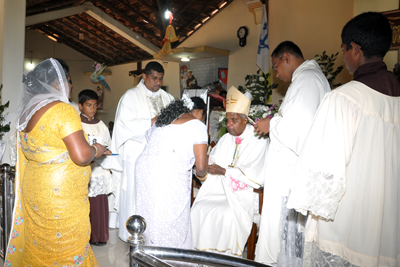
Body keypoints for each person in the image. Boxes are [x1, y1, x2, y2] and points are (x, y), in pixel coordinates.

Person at [287, 12, 400, 266]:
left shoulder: (344, 99)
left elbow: (323, 174)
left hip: (347, 231)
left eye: (343, 50)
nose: (344, 57)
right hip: (389, 227)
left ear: (355, 49)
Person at [5, 58, 109, 266]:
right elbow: (81, 156)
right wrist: (97, 149)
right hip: (60, 197)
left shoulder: (28, 111)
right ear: (56, 83)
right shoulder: (64, 110)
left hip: (34, 189)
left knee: (40, 245)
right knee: (66, 248)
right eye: (68, 81)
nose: (70, 86)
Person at [254, 41, 331, 266]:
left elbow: (298, 128)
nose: (276, 73)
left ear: (286, 58)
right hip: (292, 174)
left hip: (292, 178)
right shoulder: (308, 78)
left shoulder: (307, 80)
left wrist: (271, 124)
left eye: (276, 66)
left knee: (289, 241)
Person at [191, 86, 269, 257]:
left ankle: (224, 257)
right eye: (227, 120)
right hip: (219, 190)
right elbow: (213, 160)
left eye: (233, 120)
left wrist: (225, 171)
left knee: (226, 215)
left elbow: (256, 173)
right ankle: (204, 255)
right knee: (198, 208)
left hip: (244, 194)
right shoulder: (226, 138)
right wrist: (207, 167)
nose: (229, 125)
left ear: (245, 119)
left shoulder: (258, 139)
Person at [109, 61, 174, 241]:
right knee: (136, 193)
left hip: (161, 155)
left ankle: (155, 231)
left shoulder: (167, 98)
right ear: (144, 76)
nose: (158, 82)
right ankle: (131, 233)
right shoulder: (130, 96)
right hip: (137, 153)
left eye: (161, 79)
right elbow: (124, 125)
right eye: (154, 78)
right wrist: (151, 122)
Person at [135, 96, 208, 249]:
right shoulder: (198, 126)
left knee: (151, 215)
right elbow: (201, 166)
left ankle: (149, 254)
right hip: (168, 173)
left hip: (144, 170)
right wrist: (202, 175)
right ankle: (172, 258)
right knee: (173, 217)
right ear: (200, 111)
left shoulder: (163, 120)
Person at [79, 89, 113, 246]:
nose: (92, 109)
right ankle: (88, 236)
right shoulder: (76, 124)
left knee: (100, 203)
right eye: (88, 105)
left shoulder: (101, 125)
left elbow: (108, 143)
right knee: (88, 205)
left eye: (94, 105)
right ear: (80, 106)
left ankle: (101, 235)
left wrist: (107, 151)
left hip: (100, 169)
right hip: (85, 170)